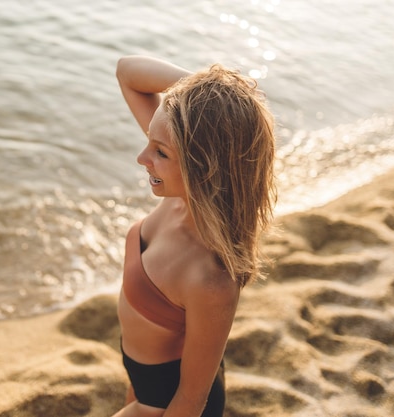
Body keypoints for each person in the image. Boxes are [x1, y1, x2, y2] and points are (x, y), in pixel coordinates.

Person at [112, 55, 277, 417]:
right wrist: (211, 99)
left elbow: (191, 399)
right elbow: (128, 72)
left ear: (204, 168)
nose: (143, 157)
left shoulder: (211, 278)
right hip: (141, 384)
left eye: (159, 152)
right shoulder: (181, 191)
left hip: (162, 406)